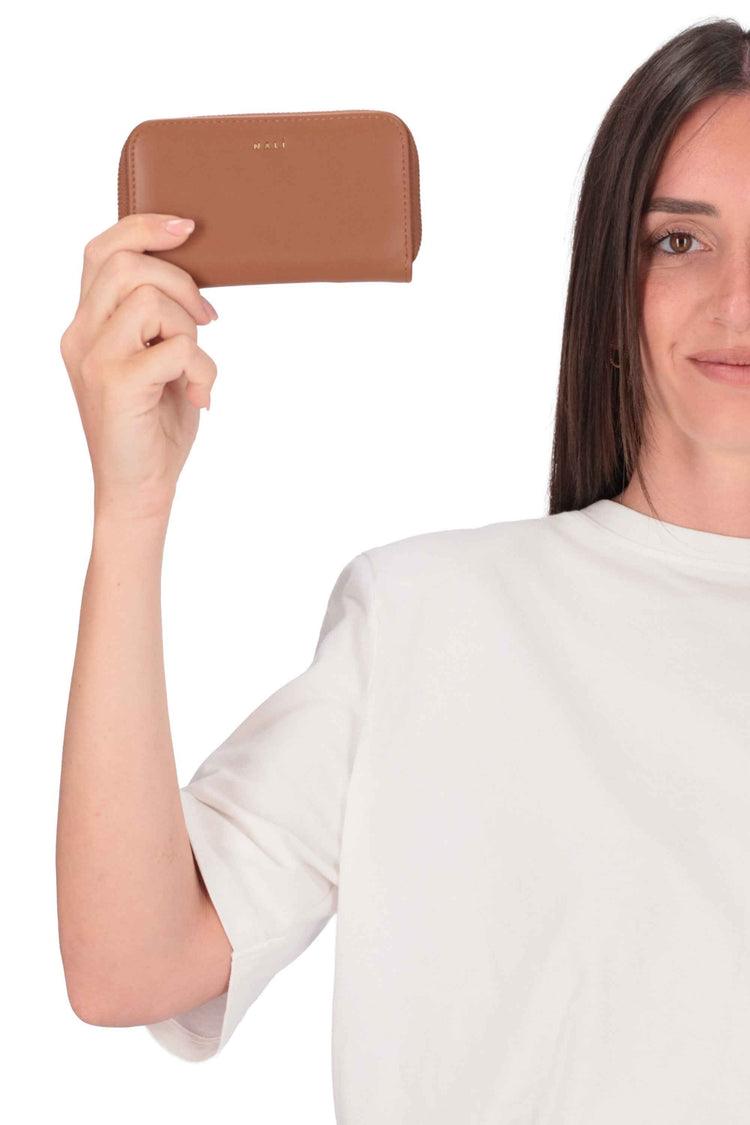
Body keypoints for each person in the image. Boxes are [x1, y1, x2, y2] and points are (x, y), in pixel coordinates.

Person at [57, 16, 750, 1123]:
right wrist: (129, 510)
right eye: (680, 241)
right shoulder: (433, 618)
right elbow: (129, 967)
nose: (737, 302)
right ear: (612, 279)